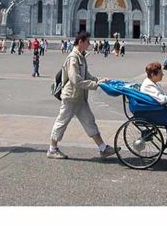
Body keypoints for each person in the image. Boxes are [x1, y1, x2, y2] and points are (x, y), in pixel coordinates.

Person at [47, 31, 117, 160]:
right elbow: (76, 80)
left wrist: (99, 80)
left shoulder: (81, 57)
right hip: (71, 97)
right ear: (81, 42)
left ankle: (103, 148)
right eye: (87, 42)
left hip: (80, 97)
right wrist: (95, 85)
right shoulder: (73, 58)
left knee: (89, 121)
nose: (90, 44)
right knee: (62, 122)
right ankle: (52, 149)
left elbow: (87, 75)